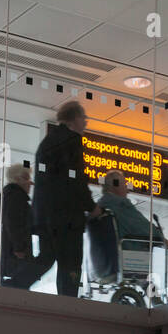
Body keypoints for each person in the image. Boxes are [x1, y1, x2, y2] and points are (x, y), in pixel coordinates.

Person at [31, 100, 104, 297]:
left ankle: (15, 283)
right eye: (84, 118)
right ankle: (67, 303)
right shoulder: (71, 141)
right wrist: (91, 207)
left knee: (47, 258)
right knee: (70, 264)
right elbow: (75, 179)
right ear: (75, 118)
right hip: (66, 217)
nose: (86, 123)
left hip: (46, 217)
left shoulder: (48, 141)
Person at [0, 166, 47, 290]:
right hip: (10, 255)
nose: (30, 183)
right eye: (26, 178)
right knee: (16, 289)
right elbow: (13, 222)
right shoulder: (16, 196)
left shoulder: (3, 197)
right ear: (17, 179)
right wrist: (19, 248)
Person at [97, 170, 166, 243]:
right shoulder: (122, 205)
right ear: (115, 186)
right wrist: (160, 234)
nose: (128, 191)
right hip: (129, 251)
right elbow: (144, 228)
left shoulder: (100, 206)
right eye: (125, 185)